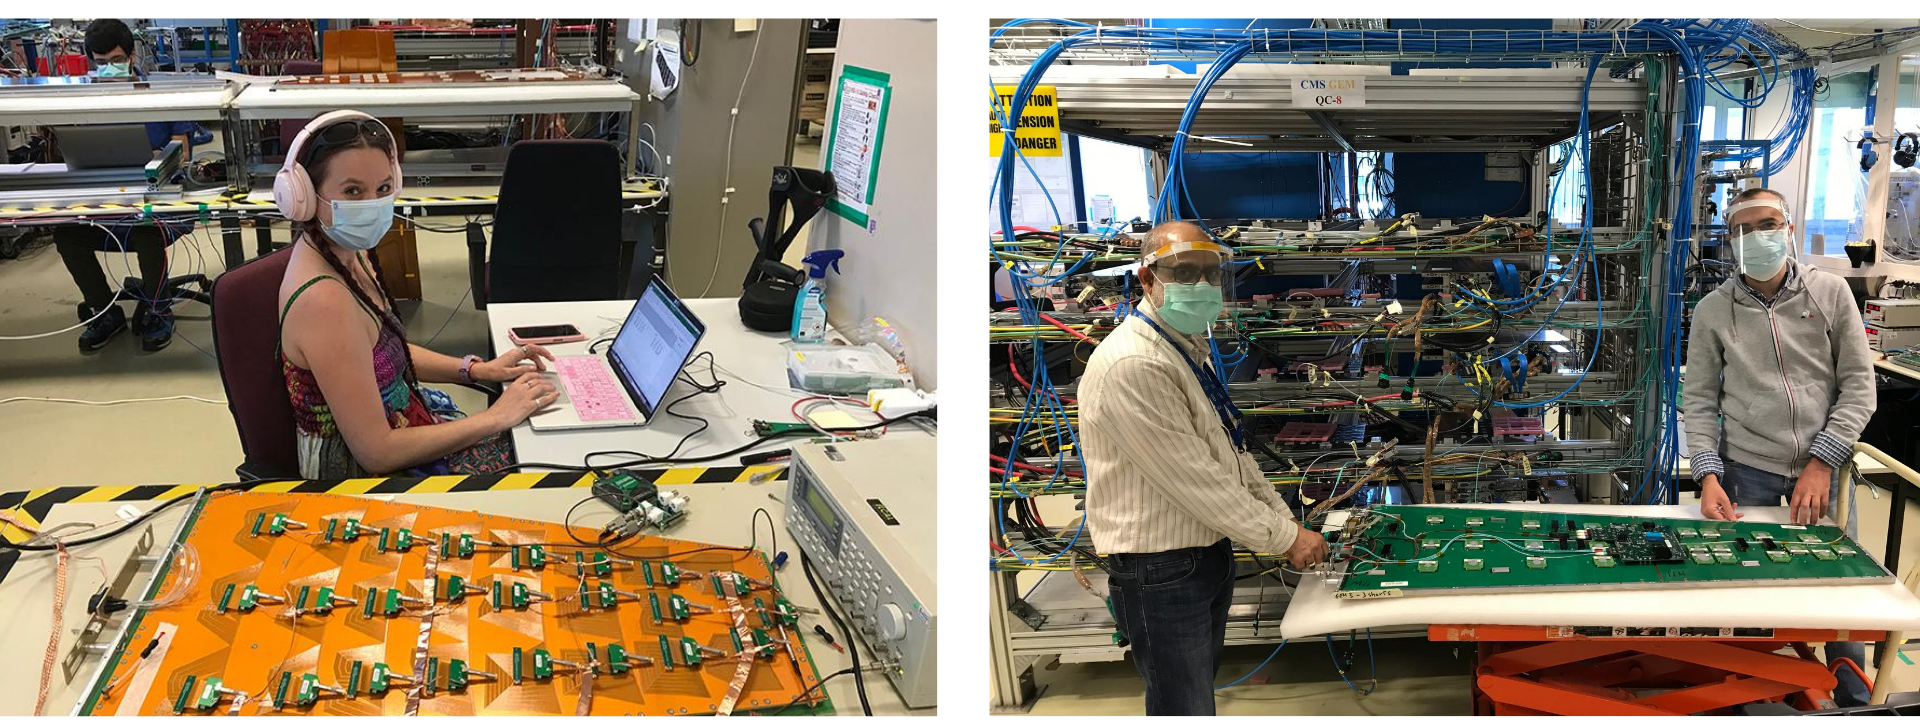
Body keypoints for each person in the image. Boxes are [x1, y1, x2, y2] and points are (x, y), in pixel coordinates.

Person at [1080, 221, 1328, 716]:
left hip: (1200, 555)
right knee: (1184, 705)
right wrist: (1284, 538)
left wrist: (1285, 522)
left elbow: (1230, 457)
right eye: (1183, 272)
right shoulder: (1135, 364)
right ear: (1148, 281)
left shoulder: (1182, 347)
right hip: (1160, 570)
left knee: (1193, 696)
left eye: (1210, 274)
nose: (1201, 286)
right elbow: (1199, 483)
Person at [275, 110, 559, 479]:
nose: (373, 203)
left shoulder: (345, 252)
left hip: (403, 428)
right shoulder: (324, 302)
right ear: (303, 196)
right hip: (361, 475)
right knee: (544, 466)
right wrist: (495, 417)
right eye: (352, 191)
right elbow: (377, 453)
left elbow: (383, 354)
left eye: (382, 188)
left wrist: (474, 370)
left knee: (536, 438)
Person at [1684, 186, 1877, 708]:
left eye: (1766, 224)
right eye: (1742, 230)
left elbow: (1860, 386)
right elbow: (1699, 399)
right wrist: (1707, 475)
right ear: (1730, 241)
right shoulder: (1713, 311)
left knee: (1841, 595)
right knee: (1750, 594)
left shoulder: (1831, 293)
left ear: (1788, 228)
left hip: (1825, 474)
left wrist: (1822, 461)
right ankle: (1752, 700)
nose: (1755, 238)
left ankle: (1854, 700)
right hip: (1749, 473)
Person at [56, 18, 200, 352]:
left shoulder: (161, 95)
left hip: (158, 200)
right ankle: (104, 311)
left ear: (132, 56)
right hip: (108, 200)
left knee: (146, 229)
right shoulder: (88, 100)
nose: (109, 68)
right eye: (101, 62)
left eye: (117, 60)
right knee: (66, 234)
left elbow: (183, 149)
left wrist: (157, 158)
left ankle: (158, 309)